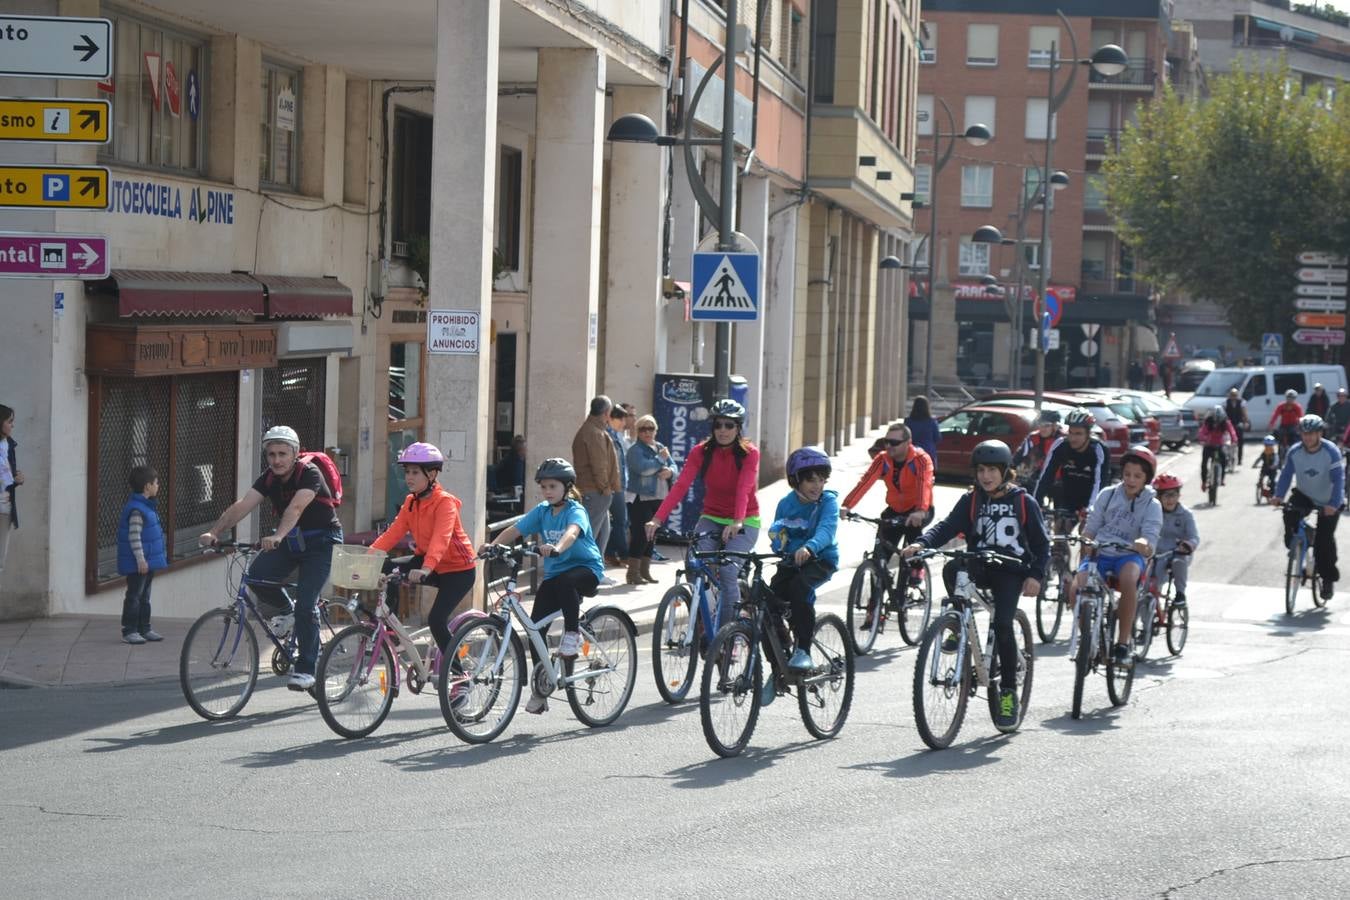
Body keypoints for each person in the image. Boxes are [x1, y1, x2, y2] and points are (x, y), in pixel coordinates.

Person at [902, 440, 1049, 728]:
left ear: (1005, 471)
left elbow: (1042, 545)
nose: (986, 476)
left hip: (1010, 570)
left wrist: (1036, 575)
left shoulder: (1023, 501)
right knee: (952, 567)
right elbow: (947, 526)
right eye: (981, 470)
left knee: (1004, 625)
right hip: (979, 563)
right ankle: (957, 623)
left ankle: (1008, 691)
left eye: (992, 470)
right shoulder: (972, 499)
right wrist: (921, 542)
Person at [199, 425, 343, 692]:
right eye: (271, 454)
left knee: (307, 603)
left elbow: (296, 507)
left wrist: (278, 535)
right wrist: (214, 531)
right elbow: (243, 504)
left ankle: (306, 668)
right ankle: (287, 612)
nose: (276, 460)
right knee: (256, 577)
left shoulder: (309, 473)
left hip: (321, 541)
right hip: (292, 540)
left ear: (295, 454)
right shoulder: (269, 478)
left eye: (282, 454)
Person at [481, 458, 605, 714]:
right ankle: (542, 686)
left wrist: (557, 548)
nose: (547, 491)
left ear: (567, 487)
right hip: (555, 576)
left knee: (567, 582)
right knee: (535, 628)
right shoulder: (542, 511)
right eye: (544, 487)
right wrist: (492, 546)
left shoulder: (575, 510)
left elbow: (572, 533)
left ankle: (572, 634)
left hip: (586, 570)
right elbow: (515, 530)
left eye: (552, 486)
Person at [645, 398, 760, 627]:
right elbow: (680, 486)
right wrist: (657, 518)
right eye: (718, 425)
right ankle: (704, 616)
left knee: (727, 571)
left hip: (745, 519)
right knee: (694, 564)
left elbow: (743, 488)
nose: (723, 430)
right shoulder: (701, 452)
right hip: (711, 516)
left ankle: (729, 633)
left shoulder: (749, 453)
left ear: (738, 428)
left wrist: (737, 521)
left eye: (729, 425)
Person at [370, 442, 476, 652]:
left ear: (432, 474)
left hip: (458, 570)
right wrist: (367, 557)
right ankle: (393, 634)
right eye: (407, 471)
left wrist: (426, 569)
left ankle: (458, 674)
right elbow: (392, 534)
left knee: (436, 620)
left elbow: (441, 539)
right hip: (429, 563)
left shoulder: (445, 502)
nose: (409, 477)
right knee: (387, 567)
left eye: (415, 472)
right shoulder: (411, 501)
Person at [840, 421, 934, 629]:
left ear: (908, 443)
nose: (889, 446)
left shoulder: (920, 459)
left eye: (894, 442)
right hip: (894, 510)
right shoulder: (883, 460)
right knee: (878, 559)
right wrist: (847, 504)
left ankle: (916, 567)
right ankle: (874, 612)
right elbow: (865, 482)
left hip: (919, 508)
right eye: (886, 442)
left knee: (912, 542)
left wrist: (919, 510)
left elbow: (924, 484)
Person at [1076, 445, 1162, 666]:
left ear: (1146, 479)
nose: (1131, 480)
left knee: (1129, 578)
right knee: (1076, 585)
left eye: (1137, 476)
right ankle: (1086, 636)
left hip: (1129, 554)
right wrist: (1086, 540)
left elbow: (1150, 536)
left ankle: (1122, 643)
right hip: (1101, 551)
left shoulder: (1153, 505)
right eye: (1127, 475)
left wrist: (1142, 543)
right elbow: (1092, 526)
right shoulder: (1107, 494)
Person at [764, 447, 839, 695]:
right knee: (765, 603)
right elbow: (778, 530)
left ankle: (803, 649)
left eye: (821, 479)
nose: (817, 485)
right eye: (810, 480)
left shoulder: (828, 502)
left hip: (820, 559)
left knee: (800, 589)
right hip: (791, 561)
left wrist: (809, 547)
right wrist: (778, 542)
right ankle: (778, 669)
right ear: (796, 480)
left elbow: (826, 531)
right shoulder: (786, 503)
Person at [1272, 415, 1344, 601]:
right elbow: (1286, 475)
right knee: (1289, 513)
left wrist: (1333, 504)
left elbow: (1338, 480)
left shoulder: (1331, 451)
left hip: (1328, 500)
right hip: (1305, 495)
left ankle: (1327, 579)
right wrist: (1278, 495)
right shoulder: (1295, 451)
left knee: (1324, 543)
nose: (1308, 438)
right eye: (1304, 434)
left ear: (1320, 433)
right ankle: (1295, 540)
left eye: (1311, 434)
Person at [117, 466, 166, 644]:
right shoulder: (137, 510)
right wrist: (141, 559)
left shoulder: (146, 507)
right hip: (140, 563)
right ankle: (130, 630)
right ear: (147, 486)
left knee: (144, 596)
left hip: (148, 562)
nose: (158, 485)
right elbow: (134, 536)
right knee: (135, 596)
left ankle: (144, 628)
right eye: (156, 483)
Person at [625, 415, 676, 585]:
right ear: (638, 432)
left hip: (659, 496)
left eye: (651, 428)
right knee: (640, 535)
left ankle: (644, 571)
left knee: (652, 536)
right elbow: (643, 469)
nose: (647, 432)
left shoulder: (660, 447)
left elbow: (674, 466)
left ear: (656, 430)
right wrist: (660, 459)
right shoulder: (635, 450)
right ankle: (632, 573)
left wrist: (670, 471)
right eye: (643, 429)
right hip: (640, 498)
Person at [572, 395, 620, 565]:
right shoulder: (593, 432)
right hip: (595, 491)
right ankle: (587, 569)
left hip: (595, 491)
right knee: (590, 533)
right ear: (606, 413)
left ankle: (595, 569)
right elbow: (599, 465)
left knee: (603, 532)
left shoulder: (594, 429)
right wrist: (606, 489)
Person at [1152, 474, 1198, 609]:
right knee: (1149, 583)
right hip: (1157, 554)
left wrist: (1189, 545)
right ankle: (1146, 621)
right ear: (1158, 498)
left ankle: (1180, 594)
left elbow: (1194, 536)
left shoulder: (1186, 514)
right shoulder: (1153, 513)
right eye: (1165, 496)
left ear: (1179, 496)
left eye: (1173, 495)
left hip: (1178, 552)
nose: (1170, 500)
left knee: (1179, 563)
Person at [605, 404, 632, 568]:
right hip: (614, 486)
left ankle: (610, 552)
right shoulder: (608, 435)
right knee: (621, 520)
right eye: (621, 419)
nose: (624, 422)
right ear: (612, 419)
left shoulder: (617, 435)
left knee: (616, 522)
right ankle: (623, 554)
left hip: (620, 485)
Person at [1012, 410, 1064, 485]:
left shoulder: (1063, 440)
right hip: (1037, 478)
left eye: (1047, 425)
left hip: (1058, 480)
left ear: (1055, 426)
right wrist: (1011, 470)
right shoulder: (1033, 437)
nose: (1042, 428)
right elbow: (1019, 456)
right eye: (1040, 424)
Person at [0, 404, 21, 588]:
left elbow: (7, 477)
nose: (12, 425)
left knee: (1, 561)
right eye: (9, 421)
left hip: (5, 508)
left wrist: (16, 479)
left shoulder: (9, 445)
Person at [1197, 405, 1238, 494]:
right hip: (1208, 445)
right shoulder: (1208, 421)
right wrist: (1202, 439)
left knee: (1224, 460)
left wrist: (1234, 440)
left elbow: (1232, 431)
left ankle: (1222, 479)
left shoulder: (1226, 422)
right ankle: (1204, 482)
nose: (1217, 423)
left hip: (1219, 445)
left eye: (1219, 420)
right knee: (1204, 464)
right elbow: (1202, 431)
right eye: (1215, 420)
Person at [1268, 389, 1305, 458]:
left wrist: (1302, 426)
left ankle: (1295, 452)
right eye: (1289, 397)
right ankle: (1280, 454)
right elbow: (1275, 415)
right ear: (1286, 398)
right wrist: (1271, 424)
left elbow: (1301, 417)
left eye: (1292, 398)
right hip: (1283, 425)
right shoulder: (1281, 406)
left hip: (1293, 425)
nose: (1290, 399)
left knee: (1295, 438)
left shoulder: (1297, 407)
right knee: (1279, 437)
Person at [906, 396, 940, 462]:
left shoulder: (908, 421)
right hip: (929, 452)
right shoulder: (932, 421)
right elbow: (937, 438)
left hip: (912, 452)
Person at [1252, 434, 1280, 498]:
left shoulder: (1274, 454)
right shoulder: (1264, 453)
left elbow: (1276, 461)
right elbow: (1259, 459)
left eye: (1269, 445)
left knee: (1272, 481)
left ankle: (1272, 493)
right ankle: (1260, 485)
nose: (1268, 447)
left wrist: (1274, 465)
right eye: (1266, 445)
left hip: (1272, 470)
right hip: (1265, 468)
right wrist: (1254, 464)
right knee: (1261, 477)